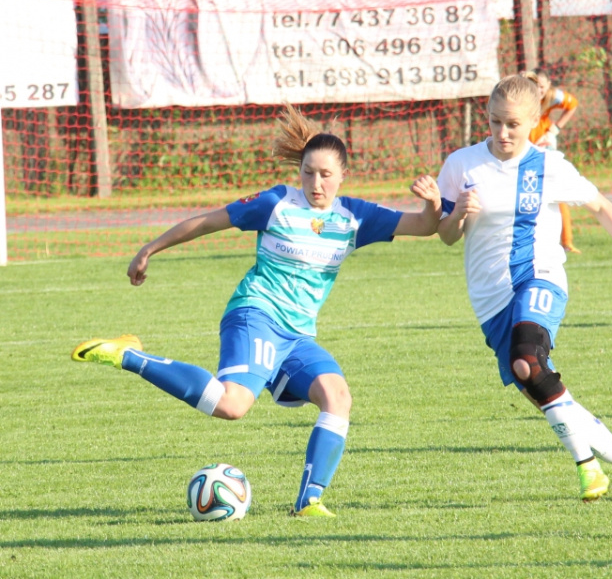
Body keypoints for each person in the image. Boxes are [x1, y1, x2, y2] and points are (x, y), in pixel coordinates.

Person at [71, 105, 441, 518]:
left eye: (324, 175)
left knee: (337, 397)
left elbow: (425, 227)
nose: (315, 183)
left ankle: (308, 503)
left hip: (298, 336)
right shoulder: (276, 204)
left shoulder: (356, 217)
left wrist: (432, 204)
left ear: (342, 176)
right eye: (308, 173)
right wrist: (149, 248)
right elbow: (209, 222)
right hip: (256, 314)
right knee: (232, 405)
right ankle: (130, 355)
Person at [436, 74, 612, 503]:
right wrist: (458, 212)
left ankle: (587, 469)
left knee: (526, 361)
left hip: (540, 277)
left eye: (513, 124)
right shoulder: (462, 164)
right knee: (540, 386)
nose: (503, 133)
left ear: (534, 122)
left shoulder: (549, 166)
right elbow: (445, 236)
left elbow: (600, 206)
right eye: (496, 122)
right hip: (490, 297)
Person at [527, 68, 581, 253]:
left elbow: (573, 104)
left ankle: (567, 241)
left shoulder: (553, 96)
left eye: (541, 86)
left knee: (557, 194)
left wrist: (555, 129)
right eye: (535, 86)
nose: (539, 90)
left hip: (544, 147)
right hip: (526, 147)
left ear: (548, 85)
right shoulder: (522, 97)